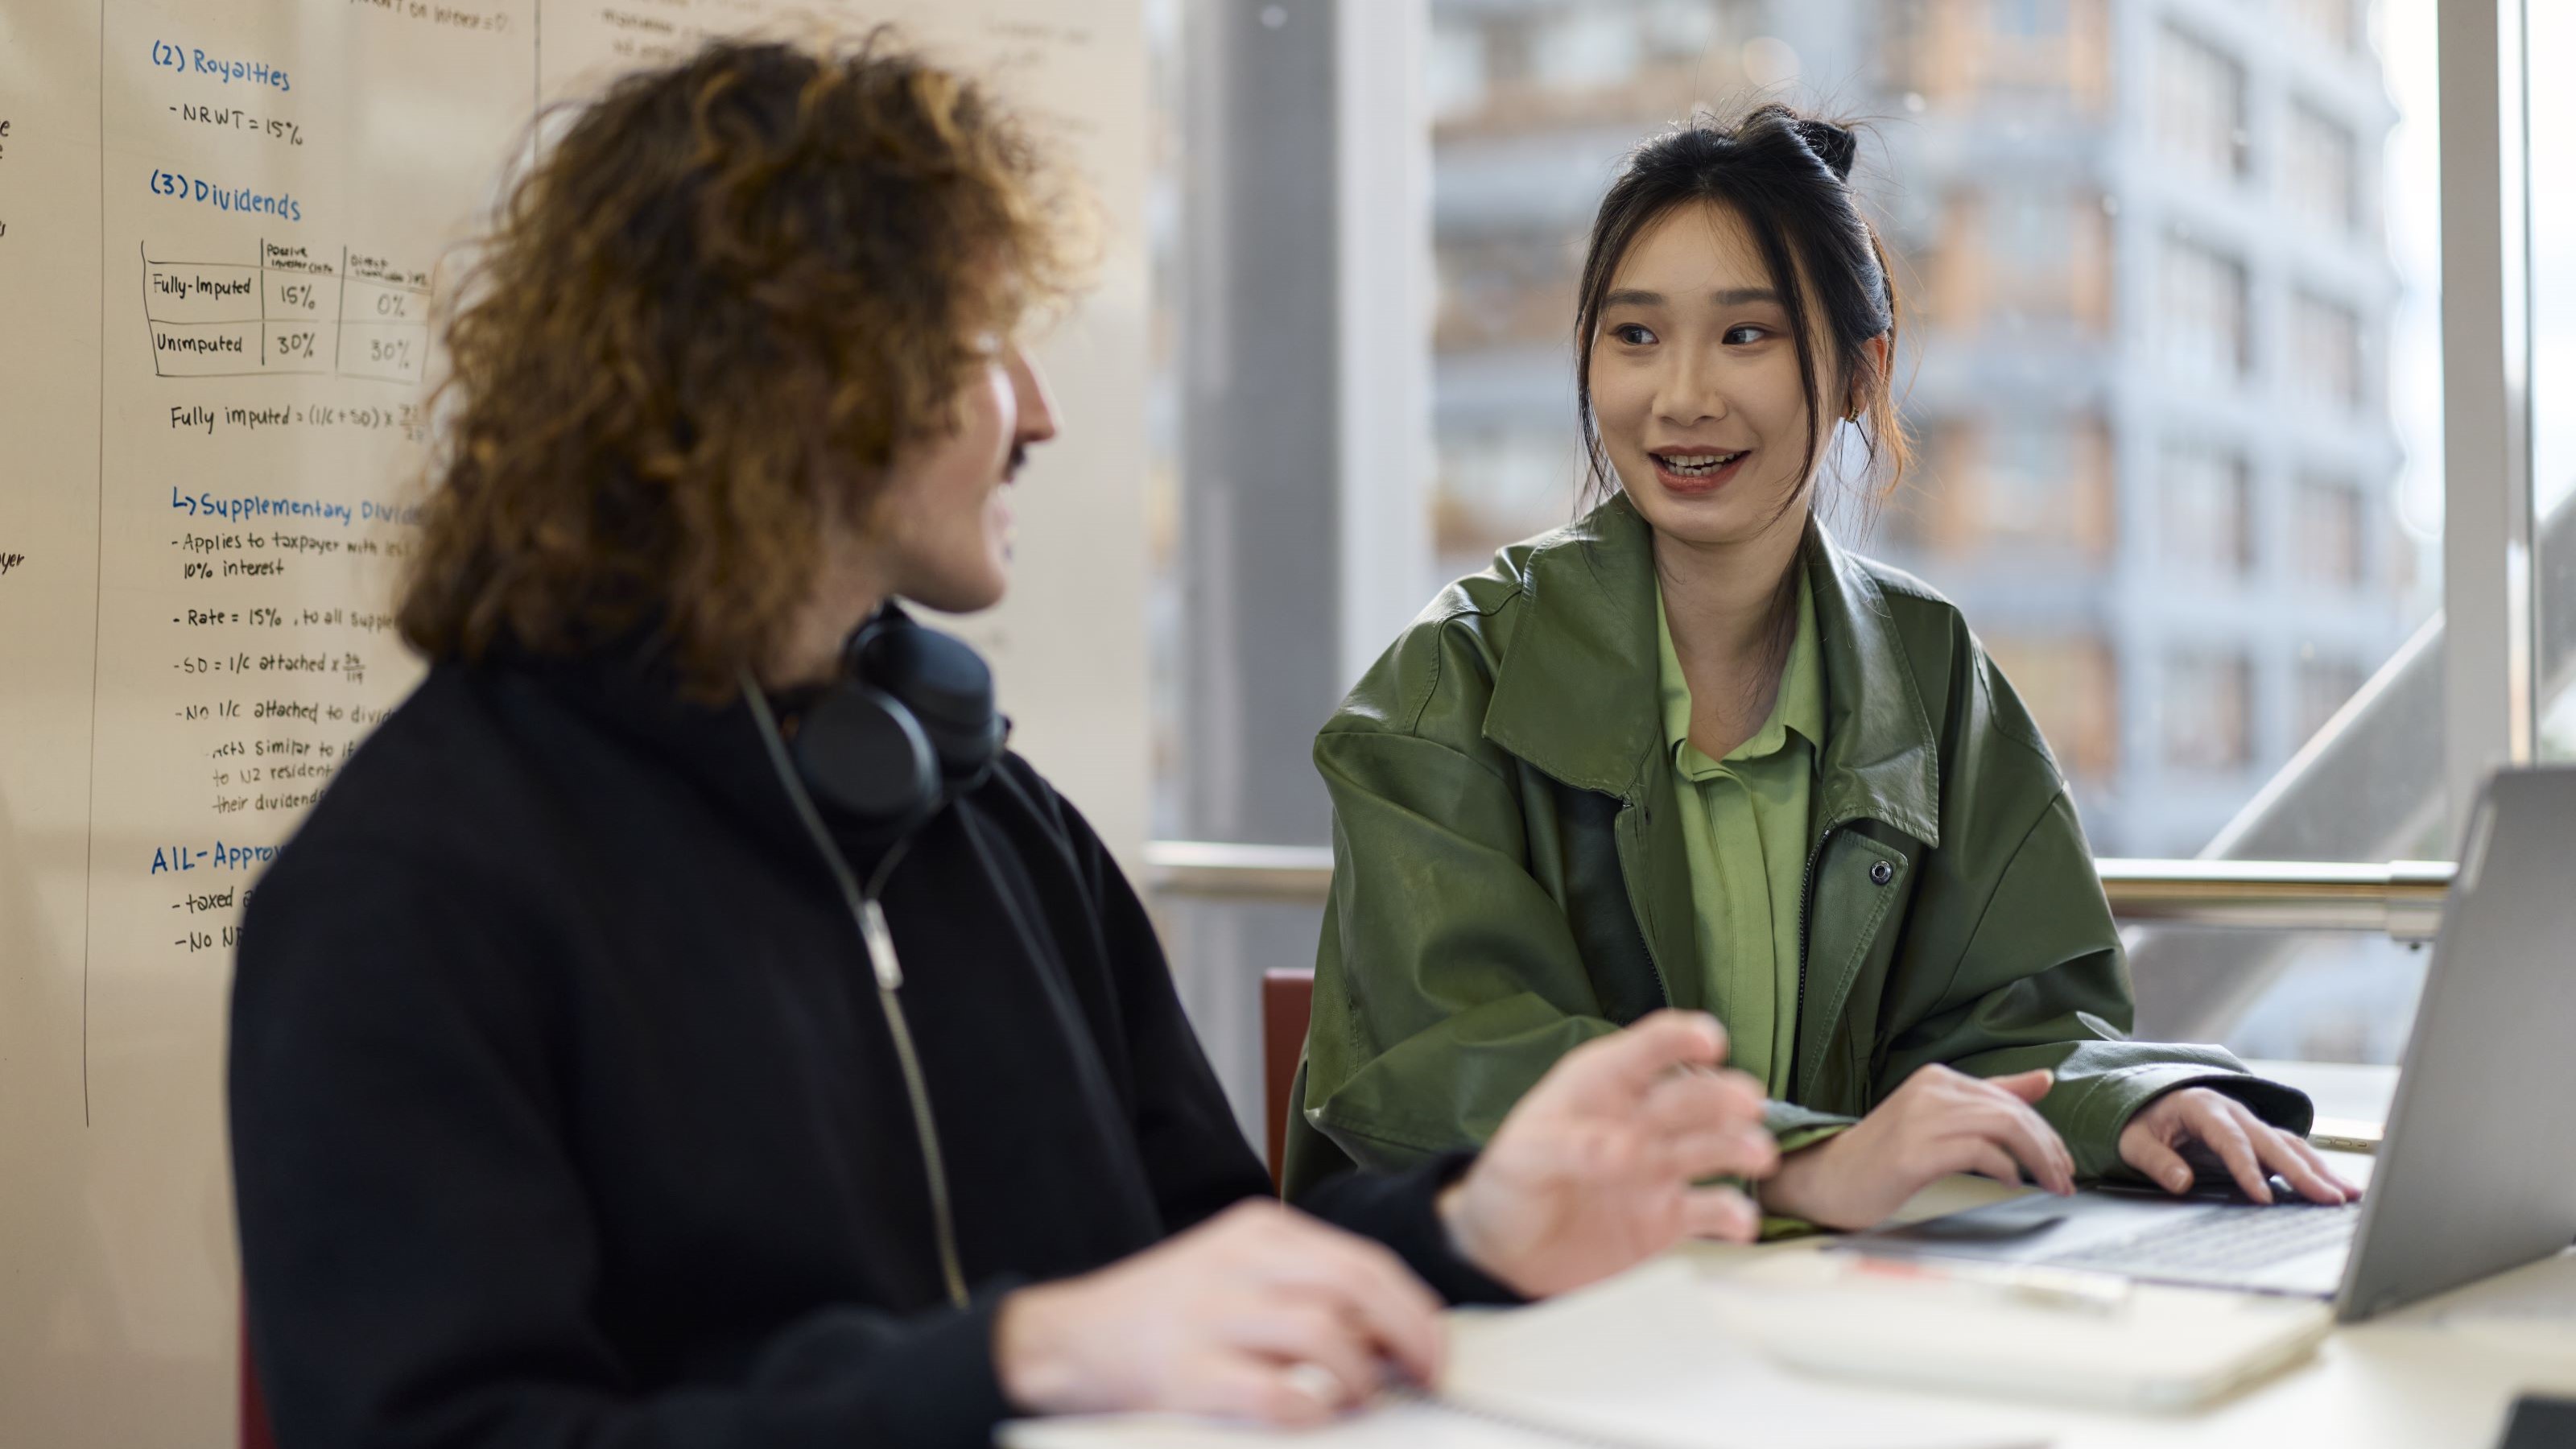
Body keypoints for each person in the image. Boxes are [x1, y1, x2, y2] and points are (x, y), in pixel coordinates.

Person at [227, 36, 1781, 1449]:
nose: (1035, 412)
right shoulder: (407, 892)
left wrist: (1475, 1232)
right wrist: (1014, 1357)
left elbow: (1202, 1267)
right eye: (984, 341)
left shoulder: (992, 825)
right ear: (802, 380)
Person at [1286, 105, 2362, 1229]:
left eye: (1744, 335)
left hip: (1823, 1319)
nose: (1682, 396)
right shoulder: (1448, 684)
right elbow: (1444, 1065)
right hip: (1515, 1328)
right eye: (1635, 336)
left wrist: (2128, 1100)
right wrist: (1791, 1162)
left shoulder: (1932, 670)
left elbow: (2020, 1024)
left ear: (1861, 371)